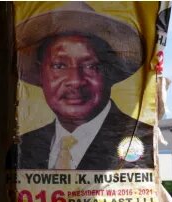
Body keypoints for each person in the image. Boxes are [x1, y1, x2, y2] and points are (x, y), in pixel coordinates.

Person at [10, 2, 153, 171]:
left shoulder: (140, 140)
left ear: (110, 72)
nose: (76, 81)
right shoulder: (23, 149)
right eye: (59, 66)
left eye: (90, 66)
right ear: (40, 73)